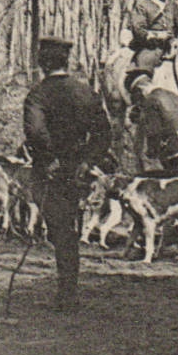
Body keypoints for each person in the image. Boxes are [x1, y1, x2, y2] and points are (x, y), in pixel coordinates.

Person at [23, 36, 113, 311]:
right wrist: (87, 161)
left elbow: (35, 132)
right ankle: (68, 291)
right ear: (67, 61)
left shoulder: (38, 94)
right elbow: (103, 133)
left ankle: (67, 294)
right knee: (70, 228)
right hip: (78, 171)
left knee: (59, 230)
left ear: (42, 63)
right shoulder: (86, 92)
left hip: (50, 171)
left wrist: (49, 159)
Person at [127, 0, 178, 75]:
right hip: (150, 47)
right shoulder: (142, 5)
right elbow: (138, 29)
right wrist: (157, 35)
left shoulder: (172, 6)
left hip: (172, 46)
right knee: (143, 71)